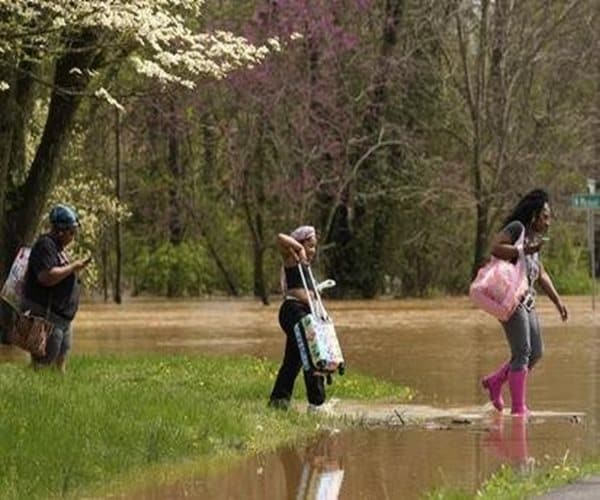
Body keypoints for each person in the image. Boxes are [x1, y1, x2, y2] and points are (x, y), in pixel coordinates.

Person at [481, 189, 568, 416]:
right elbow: (495, 248)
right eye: (545, 217)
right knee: (522, 351)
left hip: (528, 300)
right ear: (534, 215)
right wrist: (523, 250)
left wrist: (558, 302)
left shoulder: (534, 240)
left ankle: (496, 381)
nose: (548, 222)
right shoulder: (517, 229)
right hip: (509, 298)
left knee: (536, 352)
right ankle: (519, 409)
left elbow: (541, 274)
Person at [22, 204, 91, 372]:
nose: (73, 236)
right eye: (71, 232)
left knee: (60, 361)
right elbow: (46, 277)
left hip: (62, 318)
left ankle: (59, 385)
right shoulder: (46, 245)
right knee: (43, 362)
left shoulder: (58, 247)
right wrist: (73, 267)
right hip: (48, 316)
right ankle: (34, 386)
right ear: (60, 231)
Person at [269, 225, 329, 413]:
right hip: (292, 311)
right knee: (313, 352)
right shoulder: (291, 258)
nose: (313, 251)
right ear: (300, 244)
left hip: (306, 313)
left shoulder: (307, 268)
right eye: (310, 245)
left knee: (293, 360)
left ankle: (278, 401)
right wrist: (300, 249)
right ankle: (316, 404)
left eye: (314, 246)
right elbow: (280, 237)